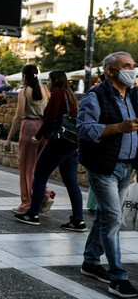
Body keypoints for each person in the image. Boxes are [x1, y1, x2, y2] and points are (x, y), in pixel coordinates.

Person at [77, 51, 138, 298]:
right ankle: (117, 277)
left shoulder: (132, 95)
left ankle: (91, 261)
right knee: (113, 218)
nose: (132, 69)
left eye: (133, 65)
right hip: (104, 167)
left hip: (126, 167)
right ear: (111, 71)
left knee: (105, 216)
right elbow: (83, 128)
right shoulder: (96, 95)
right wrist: (118, 128)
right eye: (126, 66)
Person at [14, 71, 85, 232]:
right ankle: (78, 220)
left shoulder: (58, 93)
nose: (48, 83)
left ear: (54, 80)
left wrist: (38, 136)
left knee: (39, 175)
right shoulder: (70, 94)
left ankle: (33, 214)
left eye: (49, 80)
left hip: (59, 142)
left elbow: (51, 117)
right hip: (72, 143)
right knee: (71, 181)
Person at [4, 64, 54, 214]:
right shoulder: (46, 90)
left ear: (24, 76)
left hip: (29, 129)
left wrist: (8, 138)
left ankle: (26, 203)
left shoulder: (24, 92)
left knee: (26, 168)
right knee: (39, 168)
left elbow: (18, 116)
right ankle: (44, 195)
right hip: (43, 130)